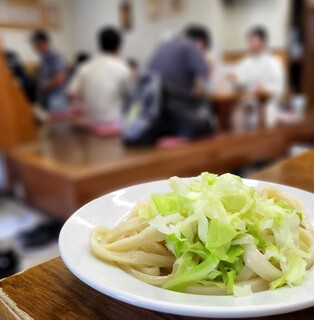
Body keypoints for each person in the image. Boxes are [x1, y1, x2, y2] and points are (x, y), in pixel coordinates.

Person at [68, 26, 130, 124]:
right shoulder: (123, 69)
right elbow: (129, 96)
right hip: (114, 122)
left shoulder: (84, 67)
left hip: (90, 122)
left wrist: (90, 99)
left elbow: (72, 93)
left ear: (98, 45)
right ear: (119, 46)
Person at [229, 26, 285, 128]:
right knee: (237, 113)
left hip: (267, 104)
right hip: (247, 102)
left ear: (263, 41)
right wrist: (233, 79)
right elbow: (239, 81)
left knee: (265, 114)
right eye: (249, 40)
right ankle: (240, 142)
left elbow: (279, 87)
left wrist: (265, 89)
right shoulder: (245, 62)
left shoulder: (274, 62)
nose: (250, 43)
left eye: (253, 39)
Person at [148, 25, 210, 94]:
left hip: (153, 96)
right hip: (172, 97)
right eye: (204, 47)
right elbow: (206, 73)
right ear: (200, 41)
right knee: (206, 104)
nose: (203, 51)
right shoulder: (190, 45)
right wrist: (207, 60)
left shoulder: (166, 43)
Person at [30, 30, 68, 112]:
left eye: (35, 44)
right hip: (46, 98)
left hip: (56, 99)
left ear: (42, 42)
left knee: (57, 124)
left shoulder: (54, 56)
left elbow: (59, 79)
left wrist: (41, 87)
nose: (34, 47)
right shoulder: (43, 58)